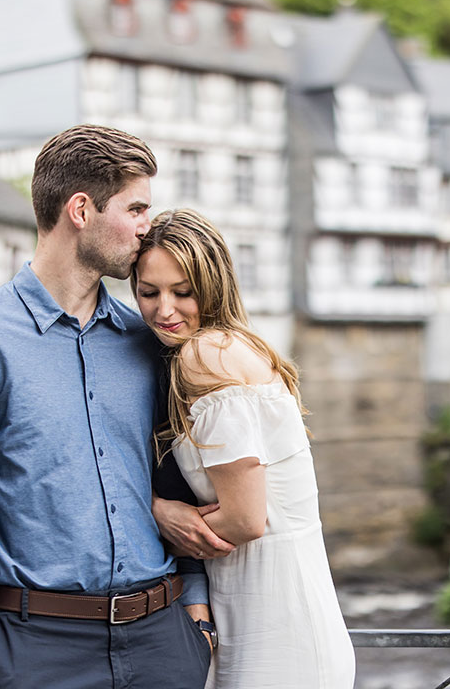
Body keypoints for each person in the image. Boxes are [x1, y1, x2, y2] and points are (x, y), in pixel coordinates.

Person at [0, 125, 223, 689]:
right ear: (81, 209)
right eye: (135, 207)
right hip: (36, 651)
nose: (147, 225)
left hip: (162, 643)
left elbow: (177, 480)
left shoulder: (146, 341)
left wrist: (195, 617)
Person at [134, 209, 356, 689]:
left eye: (182, 291)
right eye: (148, 292)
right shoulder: (233, 347)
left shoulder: (205, 355)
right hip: (265, 609)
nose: (164, 310)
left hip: (278, 623)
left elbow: (244, 520)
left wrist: (154, 520)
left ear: (212, 287)